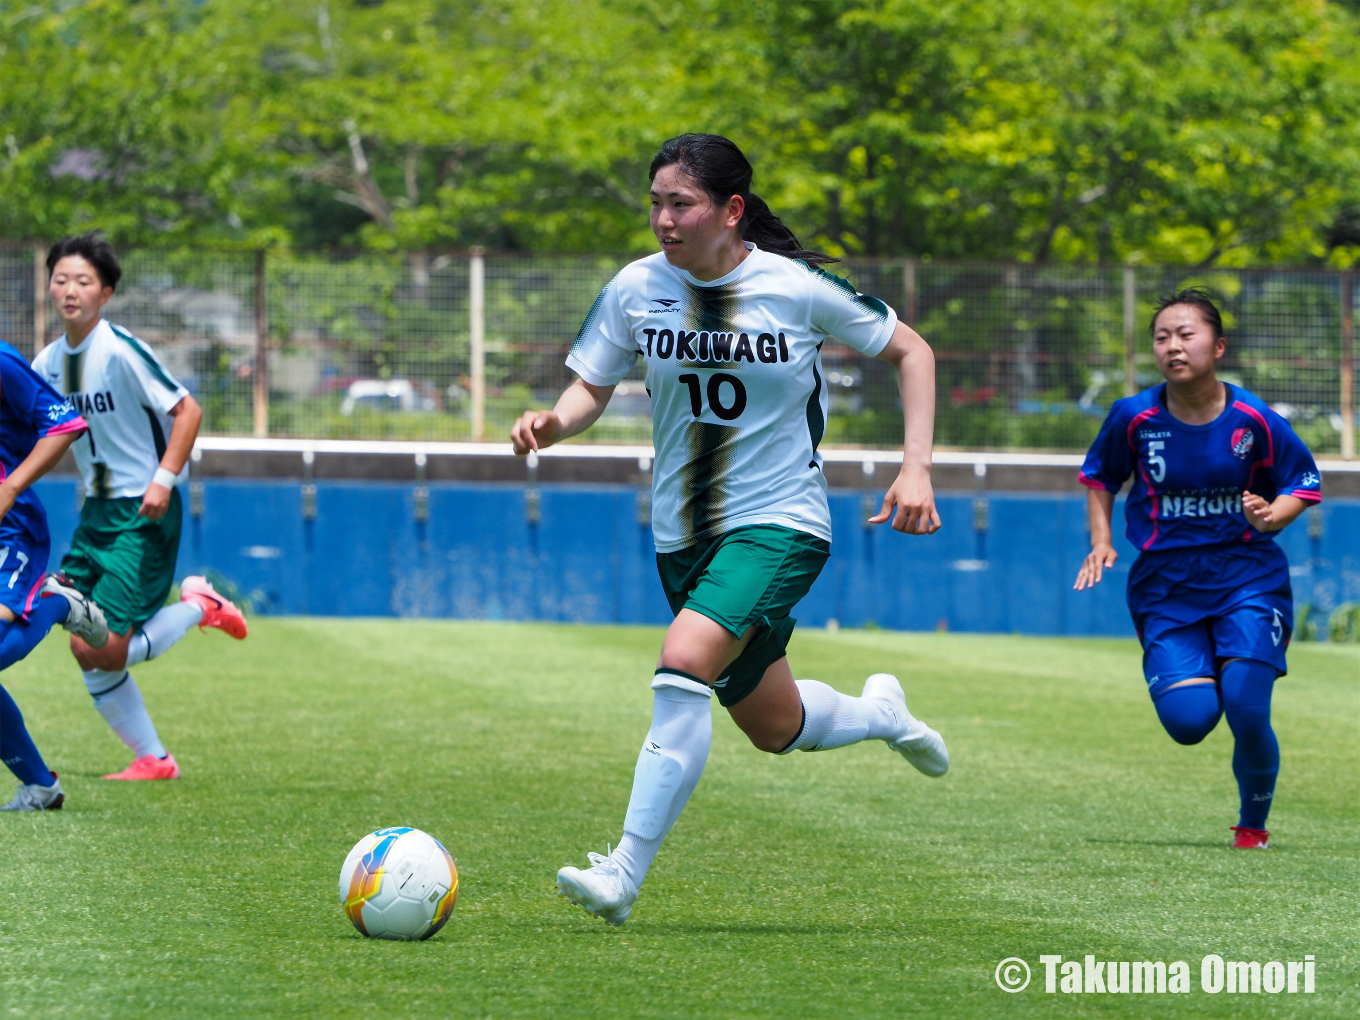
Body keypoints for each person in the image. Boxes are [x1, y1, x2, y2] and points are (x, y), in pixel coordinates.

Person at [511, 133, 948, 926]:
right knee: (775, 727)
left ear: (731, 210)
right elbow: (590, 388)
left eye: (680, 204)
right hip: (681, 536)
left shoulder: (795, 286)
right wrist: (553, 420)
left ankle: (622, 872)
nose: (663, 220)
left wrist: (915, 466)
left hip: (781, 523)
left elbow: (912, 352)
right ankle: (882, 713)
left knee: (681, 666)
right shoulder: (636, 287)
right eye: (655, 204)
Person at [1074, 288, 1321, 850]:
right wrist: (1102, 540)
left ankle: (1252, 827)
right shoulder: (1133, 416)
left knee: (1246, 704)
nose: (1173, 346)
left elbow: (1302, 484)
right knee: (1189, 723)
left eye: (1186, 334)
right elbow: (1099, 478)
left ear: (1218, 346)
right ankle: (1206, 660)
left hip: (1247, 576)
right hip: (1166, 585)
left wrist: (1269, 517)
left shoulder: (1254, 417)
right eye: (1162, 337)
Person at [32, 232, 249, 782]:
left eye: (83, 281)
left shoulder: (120, 349)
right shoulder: (48, 362)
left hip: (142, 511)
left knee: (105, 646)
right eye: (60, 279)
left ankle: (200, 606)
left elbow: (189, 411)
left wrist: (164, 479)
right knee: (82, 645)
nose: (70, 290)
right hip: (96, 514)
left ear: (105, 293)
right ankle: (154, 759)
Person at [0, 336, 112, 811]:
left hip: (11, 529)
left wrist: (12, 486)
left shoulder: (1, 361)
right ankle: (41, 787)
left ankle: (57, 601)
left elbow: (66, 424)